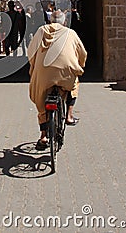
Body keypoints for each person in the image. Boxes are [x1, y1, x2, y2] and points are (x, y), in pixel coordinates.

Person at [27, 9, 87, 150]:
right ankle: (69, 115)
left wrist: (35, 66)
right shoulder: (70, 33)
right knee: (74, 84)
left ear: (49, 21)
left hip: (44, 74)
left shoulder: (41, 31)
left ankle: (43, 136)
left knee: (41, 102)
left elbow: (31, 51)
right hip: (65, 74)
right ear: (64, 22)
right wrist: (80, 64)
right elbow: (82, 53)